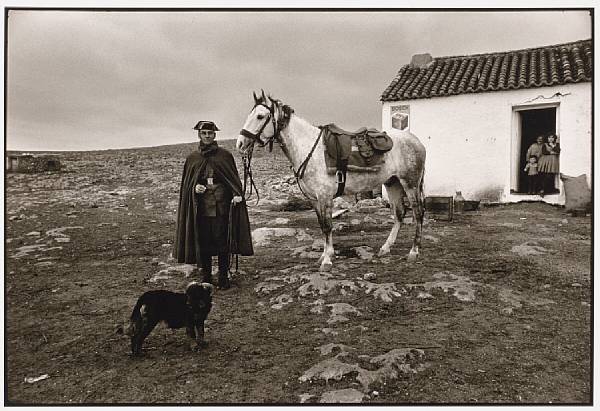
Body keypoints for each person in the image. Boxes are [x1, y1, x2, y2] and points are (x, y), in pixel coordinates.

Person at [173, 121, 253, 289]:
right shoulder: (192, 158)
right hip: (201, 209)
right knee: (204, 243)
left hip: (221, 207)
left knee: (222, 242)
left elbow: (233, 180)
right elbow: (187, 185)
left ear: (215, 135)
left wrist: (237, 194)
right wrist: (195, 187)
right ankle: (207, 276)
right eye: (204, 133)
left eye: (210, 133)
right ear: (199, 135)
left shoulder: (224, 156)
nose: (207, 136)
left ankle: (223, 277)